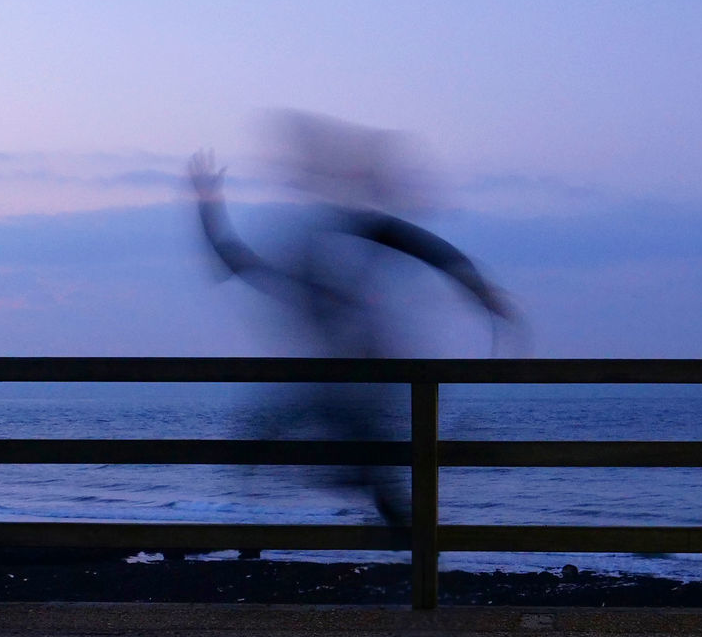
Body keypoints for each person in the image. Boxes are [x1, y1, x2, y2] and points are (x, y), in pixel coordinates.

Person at [187, 112, 517, 525]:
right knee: (303, 433)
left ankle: (387, 500)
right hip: (345, 373)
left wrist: (479, 291)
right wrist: (208, 210)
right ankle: (387, 504)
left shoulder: (337, 249)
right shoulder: (309, 268)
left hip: (363, 369)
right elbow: (239, 260)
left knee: (318, 432)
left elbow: (417, 244)